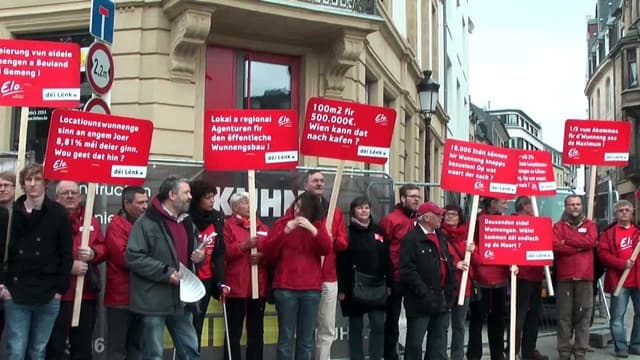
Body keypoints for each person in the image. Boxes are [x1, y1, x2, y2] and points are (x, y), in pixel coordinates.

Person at [126, 176, 206, 360]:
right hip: (153, 302)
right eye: (186, 192)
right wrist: (166, 273)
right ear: (171, 194)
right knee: (153, 355)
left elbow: (193, 254)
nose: (190, 197)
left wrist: (199, 257)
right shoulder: (146, 222)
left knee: (190, 351)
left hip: (182, 300)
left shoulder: (187, 222)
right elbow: (134, 257)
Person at [0, 163, 73, 360]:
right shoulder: (10, 212)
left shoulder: (58, 214)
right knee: (16, 348)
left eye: (37, 179)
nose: (32, 184)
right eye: (28, 180)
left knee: (38, 350)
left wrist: (59, 291)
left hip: (48, 293)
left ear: (46, 183)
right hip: (16, 291)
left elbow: (66, 255)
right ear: (23, 184)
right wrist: (3, 286)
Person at [263, 191, 332, 360]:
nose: (297, 210)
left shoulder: (317, 225)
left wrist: (313, 230)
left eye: (301, 207)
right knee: (286, 339)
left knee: (306, 340)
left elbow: (327, 249)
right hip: (286, 288)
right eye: (296, 205)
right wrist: (286, 231)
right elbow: (269, 252)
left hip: (311, 289)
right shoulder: (282, 224)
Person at [46, 180, 107, 360]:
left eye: (74, 193)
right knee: (54, 347)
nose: (70, 196)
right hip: (56, 295)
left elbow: (103, 248)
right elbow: (41, 255)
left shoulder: (92, 220)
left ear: (81, 196)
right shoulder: (48, 220)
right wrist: (67, 267)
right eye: (65, 193)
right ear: (57, 197)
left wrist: (93, 253)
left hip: (85, 295)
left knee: (82, 347)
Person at [336, 196, 393, 360]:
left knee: (377, 325)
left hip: (377, 286)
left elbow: (387, 259)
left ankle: (376, 356)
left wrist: (389, 283)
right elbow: (341, 263)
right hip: (354, 287)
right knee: (356, 327)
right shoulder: (347, 232)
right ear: (353, 210)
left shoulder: (379, 231)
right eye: (360, 208)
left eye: (366, 207)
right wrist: (341, 289)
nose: (364, 211)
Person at [399, 201, 456, 360]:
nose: (441, 217)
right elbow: (407, 270)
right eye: (438, 214)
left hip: (442, 297)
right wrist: (424, 292)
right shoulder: (412, 238)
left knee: (438, 344)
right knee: (415, 344)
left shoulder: (441, 236)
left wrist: (451, 288)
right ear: (427, 218)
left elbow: (448, 262)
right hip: (420, 301)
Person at [303, 170, 348, 360]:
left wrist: (332, 239)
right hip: (304, 277)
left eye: (322, 180)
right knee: (304, 327)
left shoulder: (334, 212)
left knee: (327, 328)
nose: (320, 183)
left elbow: (343, 243)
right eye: (315, 180)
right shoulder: (299, 209)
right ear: (306, 185)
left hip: (328, 278)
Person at [223, 191, 269, 360]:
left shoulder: (262, 227)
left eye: (251, 202)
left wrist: (262, 257)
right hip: (236, 287)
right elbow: (224, 253)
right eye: (245, 203)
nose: (250, 206)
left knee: (256, 332)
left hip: (258, 287)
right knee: (233, 333)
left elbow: (272, 253)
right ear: (235, 207)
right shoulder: (228, 226)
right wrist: (243, 246)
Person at [104, 186, 148, 360]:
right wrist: (149, 260)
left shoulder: (146, 224)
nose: (145, 206)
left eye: (146, 202)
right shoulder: (116, 226)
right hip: (120, 298)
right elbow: (125, 258)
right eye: (140, 202)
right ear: (127, 204)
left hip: (141, 297)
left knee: (136, 346)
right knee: (118, 349)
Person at [553, 194, 597, 360]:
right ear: (566, 207)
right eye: (571, 204)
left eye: (578, 204)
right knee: (564, 317)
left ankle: (580, 353)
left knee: (583, 318)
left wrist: (567, 242)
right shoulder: (558, 226)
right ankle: (564, 352)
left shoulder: (591, 225)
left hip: (585, 278)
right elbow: (555, 245)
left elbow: (591, 241)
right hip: (565, 278)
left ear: (582, 206)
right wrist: (579, 246)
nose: (575, 207)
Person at [380, 184, 421, 360]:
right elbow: (382, 248)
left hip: (415, 278)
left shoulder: (420, 220)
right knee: (392, 321)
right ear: (402, 198)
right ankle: (390, 355)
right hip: (396, 278)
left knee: (415, 320)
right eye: (412, 196)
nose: (416, 199)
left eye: (418, 196)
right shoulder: (391, 220)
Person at [467, 197, 509, 360]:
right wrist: (478, 256)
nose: (506, 205)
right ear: (493, 203)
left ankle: (497, 355)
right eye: (503, 202)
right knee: (477, 321)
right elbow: (472, 246)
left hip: (500, 279)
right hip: (481, 279)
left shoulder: (505, 222)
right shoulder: (476, 222)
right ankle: (474, 355)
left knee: (498, 322)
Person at [598, 199, 640, 358]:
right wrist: (622, 263)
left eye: (627, 210)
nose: (624, 212)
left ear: (631, 213)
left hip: (638, 280)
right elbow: (603, 254)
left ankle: (636, 345)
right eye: (621, 210)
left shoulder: (638, 232)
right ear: (616, 214)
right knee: (617, 317)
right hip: (619, 282)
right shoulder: (609, 234)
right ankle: (621, 347)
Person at [188, 180, 226, 350]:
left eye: (213, 197)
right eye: (207, 198)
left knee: (199, 322)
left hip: (208, 278)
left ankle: (195, 353)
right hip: (189, 278)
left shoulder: (217, 218)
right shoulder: (186, 218)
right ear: (197, 199)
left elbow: (220, 251)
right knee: (188, 324)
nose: (212, 201)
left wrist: (221, 280)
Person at [511, 196, 548, 360]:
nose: (535, 207)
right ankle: (513, 350)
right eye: (533, 204)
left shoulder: (536, 222)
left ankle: (528, 350)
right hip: (521, 275)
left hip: (536, 274)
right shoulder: (513, 223)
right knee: (519, 316)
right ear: (526, 206)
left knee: (533, 315)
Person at [440, 203, 475, 360]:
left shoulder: (467, 237)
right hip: (446, 287)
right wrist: (455, 266)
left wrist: (473, 251)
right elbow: (437, 260)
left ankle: (457, 356)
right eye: (447, 214)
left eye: (454, 214)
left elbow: (479, 261)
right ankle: (440, 355)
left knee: (459, 326)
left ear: (460, 217)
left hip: (464, 288)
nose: (450, 217)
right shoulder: (439, 235)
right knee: (442, 326)